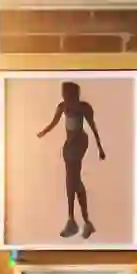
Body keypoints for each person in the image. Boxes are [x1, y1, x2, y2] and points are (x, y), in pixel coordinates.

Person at [37, 81, 106, 239]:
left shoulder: (83, 108)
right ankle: (84, 221)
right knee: (74, 182)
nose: (65, 97)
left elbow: (93, 127)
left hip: (79, 143)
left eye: (68, 94)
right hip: (69, 146)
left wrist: (100, 148)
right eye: (64, 95)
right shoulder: (62, 107)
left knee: (71, 181)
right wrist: (42, 133)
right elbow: (54, 122)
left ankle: (73, 220)